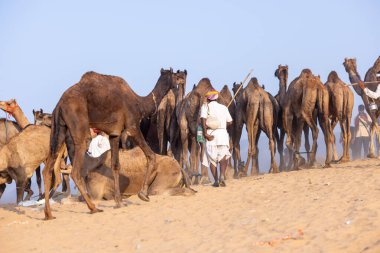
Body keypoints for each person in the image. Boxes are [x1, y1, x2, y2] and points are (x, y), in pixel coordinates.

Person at [200, 88, 233, 187]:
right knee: (223, 156)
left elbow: (203, 119)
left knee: (212, 160)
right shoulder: (224, 108)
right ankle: (222, 175)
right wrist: (223, 125)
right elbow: (230, 121)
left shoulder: (205, 107)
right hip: (222, 134)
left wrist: (205, 134)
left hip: (211, 135)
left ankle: (216, 181)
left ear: (208, 98)